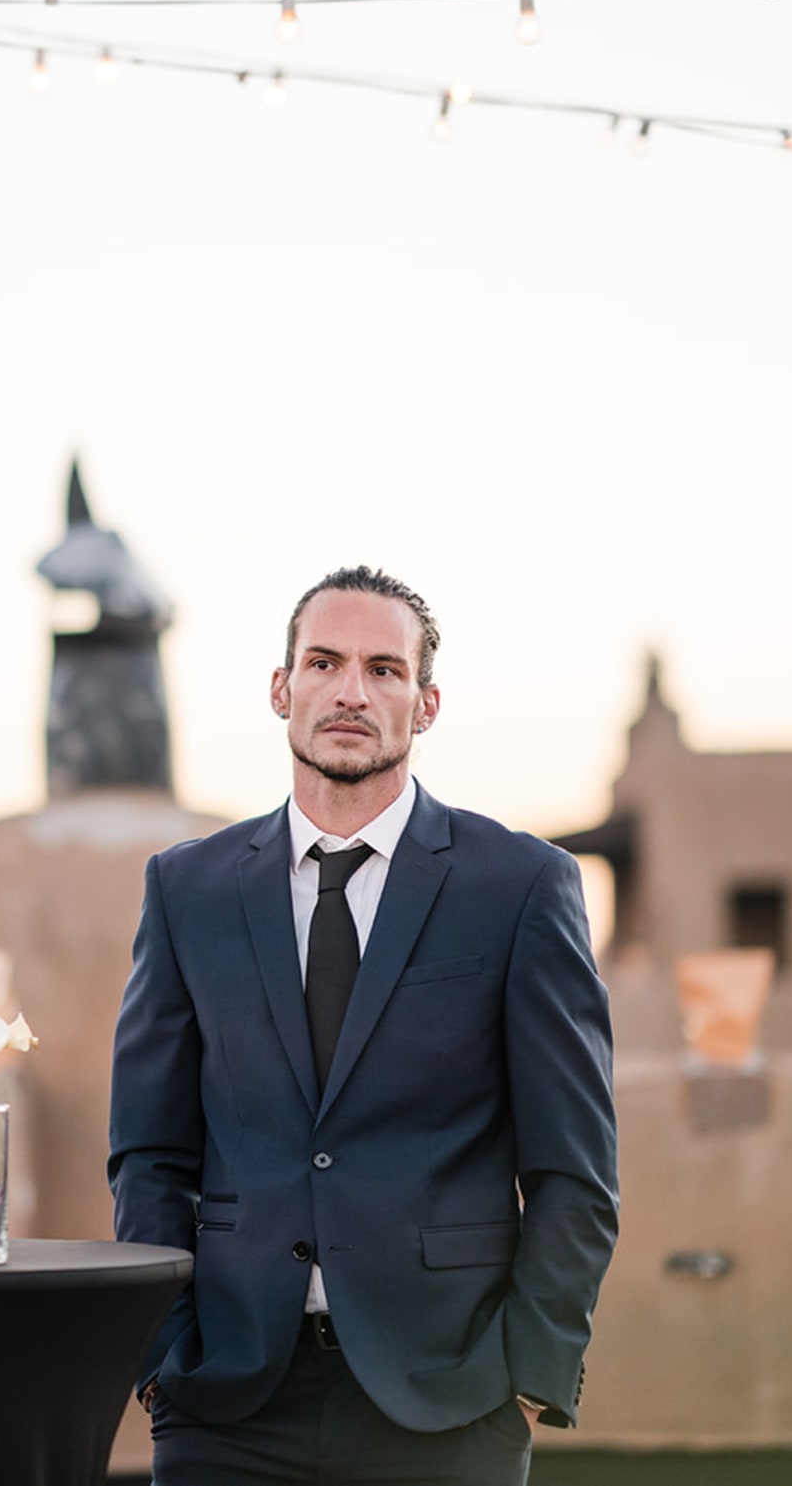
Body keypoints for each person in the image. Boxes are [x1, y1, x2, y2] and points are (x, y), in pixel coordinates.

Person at [108, 567, 618, 1486]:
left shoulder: (519, 886)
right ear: (281, 688)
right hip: (227, 1400)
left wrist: (527, 1373)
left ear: (425, 704)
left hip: (448, 1399)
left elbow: (574, 1170)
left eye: (384, 669)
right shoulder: (187, 888)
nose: (351, 690)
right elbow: (149, 1153)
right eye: (324, 661)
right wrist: (163, 1361)